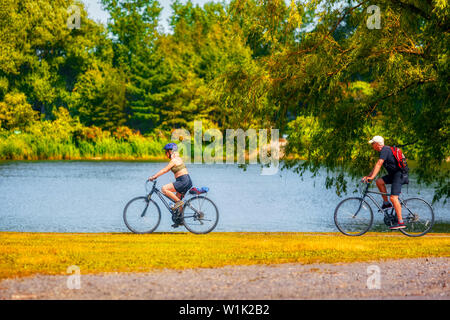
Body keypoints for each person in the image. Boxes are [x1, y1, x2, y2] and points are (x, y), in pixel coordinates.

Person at [362, 135, 408, 229]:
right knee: (379, 182)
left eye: (373, 144)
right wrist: (369, 176)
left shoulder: (385, 150)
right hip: (394, 175)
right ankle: (386, 204)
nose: (372, 146)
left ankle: (400, 222)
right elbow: (376, 166)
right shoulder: (384, 151)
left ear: (378, 144)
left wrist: (372, 177)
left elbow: (379, 164)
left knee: (393, 198)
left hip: (399, 175)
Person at [148, 143, 193, 213]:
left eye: (166, 152)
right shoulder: (178, 159)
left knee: (164, 189)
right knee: (177, 204)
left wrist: (154, 177)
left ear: (170, 152)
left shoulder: (174, 160)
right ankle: (180, 220)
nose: (165, 154)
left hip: (183, 181)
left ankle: (179, 202)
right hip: (187, 181)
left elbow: (165, 170)